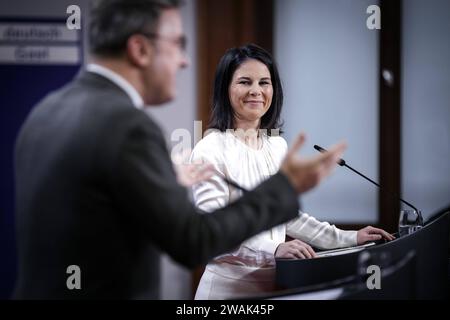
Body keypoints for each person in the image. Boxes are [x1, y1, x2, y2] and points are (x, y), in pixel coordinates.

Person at [13, 1, 346, 299]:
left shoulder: (45, 111)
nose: (184, 60)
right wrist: (284, 187)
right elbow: (193, 242)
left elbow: (93, 212)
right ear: (140, 50)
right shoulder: (130, 127)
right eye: (177, 44)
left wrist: (164, 186)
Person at [190, 44, 394, 300]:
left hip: (274, 287)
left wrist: (350, 238)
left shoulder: (276, 146)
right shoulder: (209, 148)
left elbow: (287, 217)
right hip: (225, 291)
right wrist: (274, 248)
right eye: (245, 81)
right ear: (225, 89)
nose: (256, 91)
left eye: (264, 82)